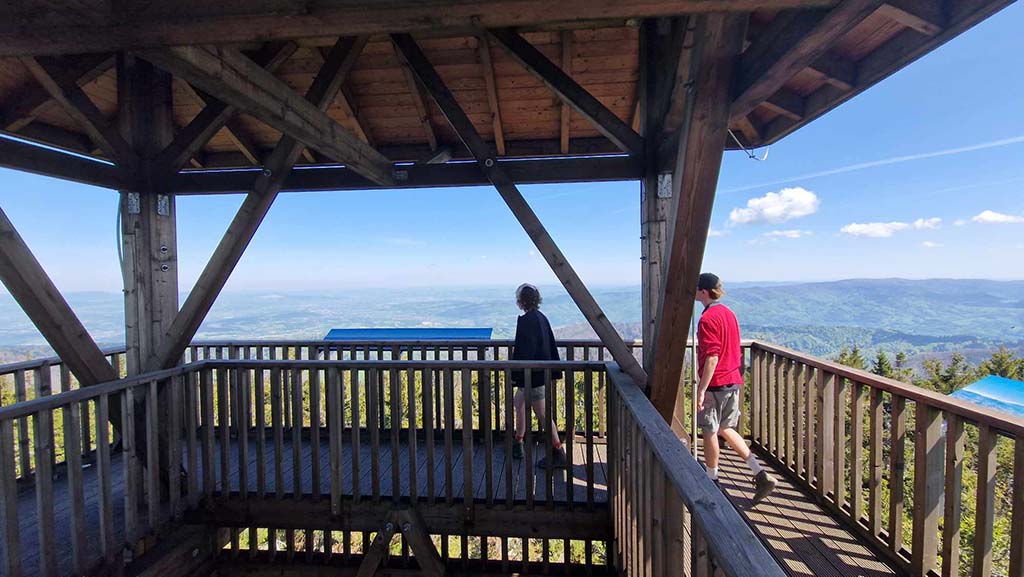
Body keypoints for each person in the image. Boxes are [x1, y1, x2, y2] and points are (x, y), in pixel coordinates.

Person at [695, 272, 776, 505]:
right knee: (725, 428)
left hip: (716, 383)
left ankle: (711, 479)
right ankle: (760, 473)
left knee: (709, 430)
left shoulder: (707, 319)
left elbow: (712, 356)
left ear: (703, 291)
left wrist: (702, 389)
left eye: (696, 288)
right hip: (734, 380)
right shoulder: (729, 313)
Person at [509, 283, 567, 469]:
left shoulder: (527, 321)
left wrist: (516, 375)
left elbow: (523, 351)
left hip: (531, 377)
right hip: (538, 375)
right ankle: (518, 443)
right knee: (519, 405)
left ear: (521, 301)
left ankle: (558, 452)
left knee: (542, 415)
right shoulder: (541, 318)